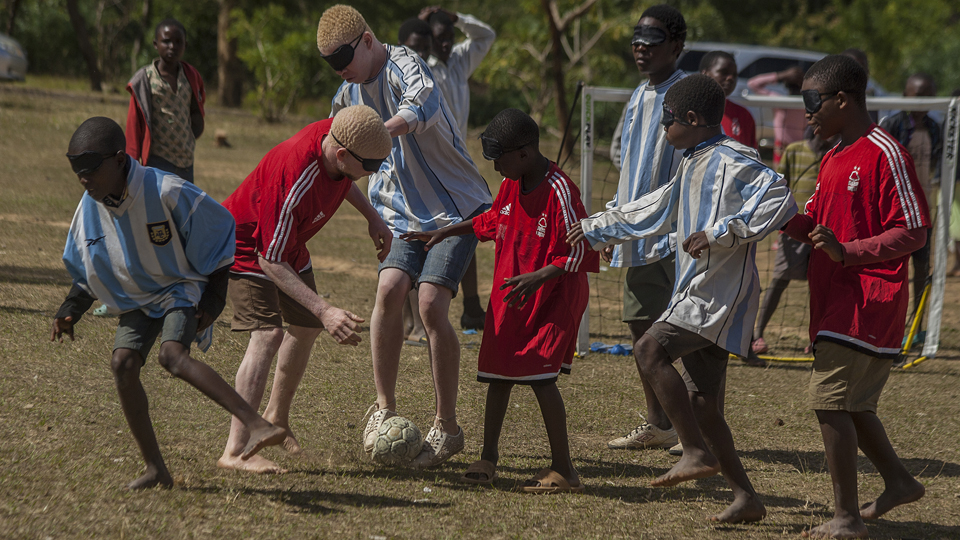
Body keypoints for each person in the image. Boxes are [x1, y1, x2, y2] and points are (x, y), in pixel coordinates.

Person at [567, 74, 796, 522]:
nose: (663, 128)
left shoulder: (734, 159)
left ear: (691, 119)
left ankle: (693, 451)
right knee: (703, 403)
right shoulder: (693, 160)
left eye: (667, 120)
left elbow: (779, 196)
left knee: (649, 349)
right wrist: (598, 226)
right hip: (698, 293)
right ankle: (746, 498)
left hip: (718, 296)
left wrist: (720, 232)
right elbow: (655, 206)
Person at [51, 117, 285, 490]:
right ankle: (156, 468)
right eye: (77, 171)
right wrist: (70, 310)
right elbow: (91, 262)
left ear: (120, 159)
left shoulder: (166, 190)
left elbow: (220, 229)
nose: (83, 179)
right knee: (122, 364)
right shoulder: (90, 207)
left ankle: (256, 424)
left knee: (172, 355)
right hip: (137, 295)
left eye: (91, 170)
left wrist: (214, 297)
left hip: (180, 287)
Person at [318, 5, 493, 468]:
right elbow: (329, 147)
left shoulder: (404, 65)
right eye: (333, 66)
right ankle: (384, 408)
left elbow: (426, 106)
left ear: (368, 39)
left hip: (454, 208)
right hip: (399, 213)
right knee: (389, 290)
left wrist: (377, 130)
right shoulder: (347, 92)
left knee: (432, 303)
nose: (343, 71)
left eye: (345, 60)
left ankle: (447, 427)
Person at [402, 108, 598, 492]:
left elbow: (581, 249)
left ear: (524, 153)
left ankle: (565, 470)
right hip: (513, 296)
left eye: (498, 160)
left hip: (553, 297)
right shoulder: (513, 183)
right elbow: (492, 220)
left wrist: (539, 277)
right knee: (498, 376)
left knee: (542, 379)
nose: (494, 168)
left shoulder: (561, 189)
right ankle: (488, 457)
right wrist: (443, 233)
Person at [783, 54, 928, 539]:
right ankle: (900, 482)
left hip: (870, 298)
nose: (807, 112)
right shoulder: (831, 156)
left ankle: (846, 519)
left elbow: (915, 230)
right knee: (854, 406)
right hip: (834, 301)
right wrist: (777, 215)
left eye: (812, 101)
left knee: (829, 403)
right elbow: (816, 229)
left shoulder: (886, 152)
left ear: (842, 99)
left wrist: (850, 251)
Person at [217, 105, 394, 474]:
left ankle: (276, 420)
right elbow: (269, 259)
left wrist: (372, 215)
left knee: (306, 327)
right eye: (372, 167)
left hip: (287, 245)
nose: (374, 174)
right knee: (267, 335)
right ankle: (234, 450)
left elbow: (344, 178)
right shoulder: (294, 176)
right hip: (248, 246)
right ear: (343, 154)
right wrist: (326, 310)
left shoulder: (341, 133)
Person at [604, 4, 687, 454]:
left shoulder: (687, 93)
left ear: (676, 45)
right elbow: (630, 168)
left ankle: (693, 428)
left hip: (675, 235)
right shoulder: (640, 94)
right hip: (636, 234)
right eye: (637, 40)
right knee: (641, 326)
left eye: (652, 41)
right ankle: (659, 423)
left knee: (682, 333)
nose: (641, 48)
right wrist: (613, 223)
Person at [420, 5, 497, 330]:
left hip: (459, 159)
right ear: (429, 40)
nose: (447, 44)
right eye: (440, 39)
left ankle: (471, 305)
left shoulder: (460, 62)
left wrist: (455, 17)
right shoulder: (422, 65)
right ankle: (419, 309)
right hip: (430, 161)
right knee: (429, 230)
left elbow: (486, 35)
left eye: (450, 38)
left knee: (469, 225)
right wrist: (422, 27)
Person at [752, 127, 835, 355]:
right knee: (779, 279)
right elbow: (779, 186)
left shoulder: (836, 153)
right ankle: (758, 334)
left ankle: (816, 336)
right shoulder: (794, 150)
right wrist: (783, 224)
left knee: (818, 285)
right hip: (795, 228)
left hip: (824, 231)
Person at [880, 73, 941, 318]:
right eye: (918, 96)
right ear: (906, 97)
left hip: (924, 211)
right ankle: (889, 318)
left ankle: (917, 323)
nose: (923, 101)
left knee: (922, 267)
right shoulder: (892, 125)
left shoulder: (936, 129)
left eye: (929, 96)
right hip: (897, 212)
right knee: (893, 268)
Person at [125, 18, 205, 183]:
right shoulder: (145, 80)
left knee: (182, 207)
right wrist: (131, 162)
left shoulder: (190, 76)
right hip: (158, 160)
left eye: (178, 42)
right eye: (166, 41)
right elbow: (134, 124)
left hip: (185, 160)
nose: (172, 47)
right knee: (157, 206)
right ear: (156, 44)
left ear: (185, 45)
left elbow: (197, 106)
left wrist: (193, 134)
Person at [748, 64, 807, 164]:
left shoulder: (807, 103)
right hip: (783, 148)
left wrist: (781, 76)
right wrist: (783, 75)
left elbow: (753, 84)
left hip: (802, 149)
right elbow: (752, 84)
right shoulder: (780, 101)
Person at [699, 50, 756, 149]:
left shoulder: (744, 115)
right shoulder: (691, 110)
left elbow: (751, 157)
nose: (730, 78)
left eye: (734, 75)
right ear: (705, 74)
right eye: (724, 72)